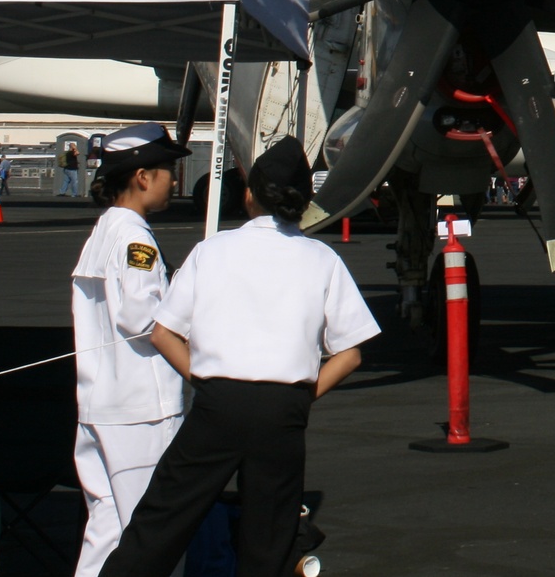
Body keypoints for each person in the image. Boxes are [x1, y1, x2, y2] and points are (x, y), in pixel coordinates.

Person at [99, 138, 378, 577]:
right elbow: (351, 353)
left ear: (250, 195)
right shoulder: (322, 258)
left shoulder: (213, 250)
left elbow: (163, 332)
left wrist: (204, 381)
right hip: (283, 409)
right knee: (270, 537)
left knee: (162, 520)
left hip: (218, 402)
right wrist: (303, 396)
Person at [70, 124, 189, 577]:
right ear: (142, 176)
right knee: (152, 532)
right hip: (140, 407)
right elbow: (143, 318)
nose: (173, 180)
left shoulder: (103, 231)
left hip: (99, 403)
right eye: (167, 170)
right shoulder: (136, 239)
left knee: (106, 529)